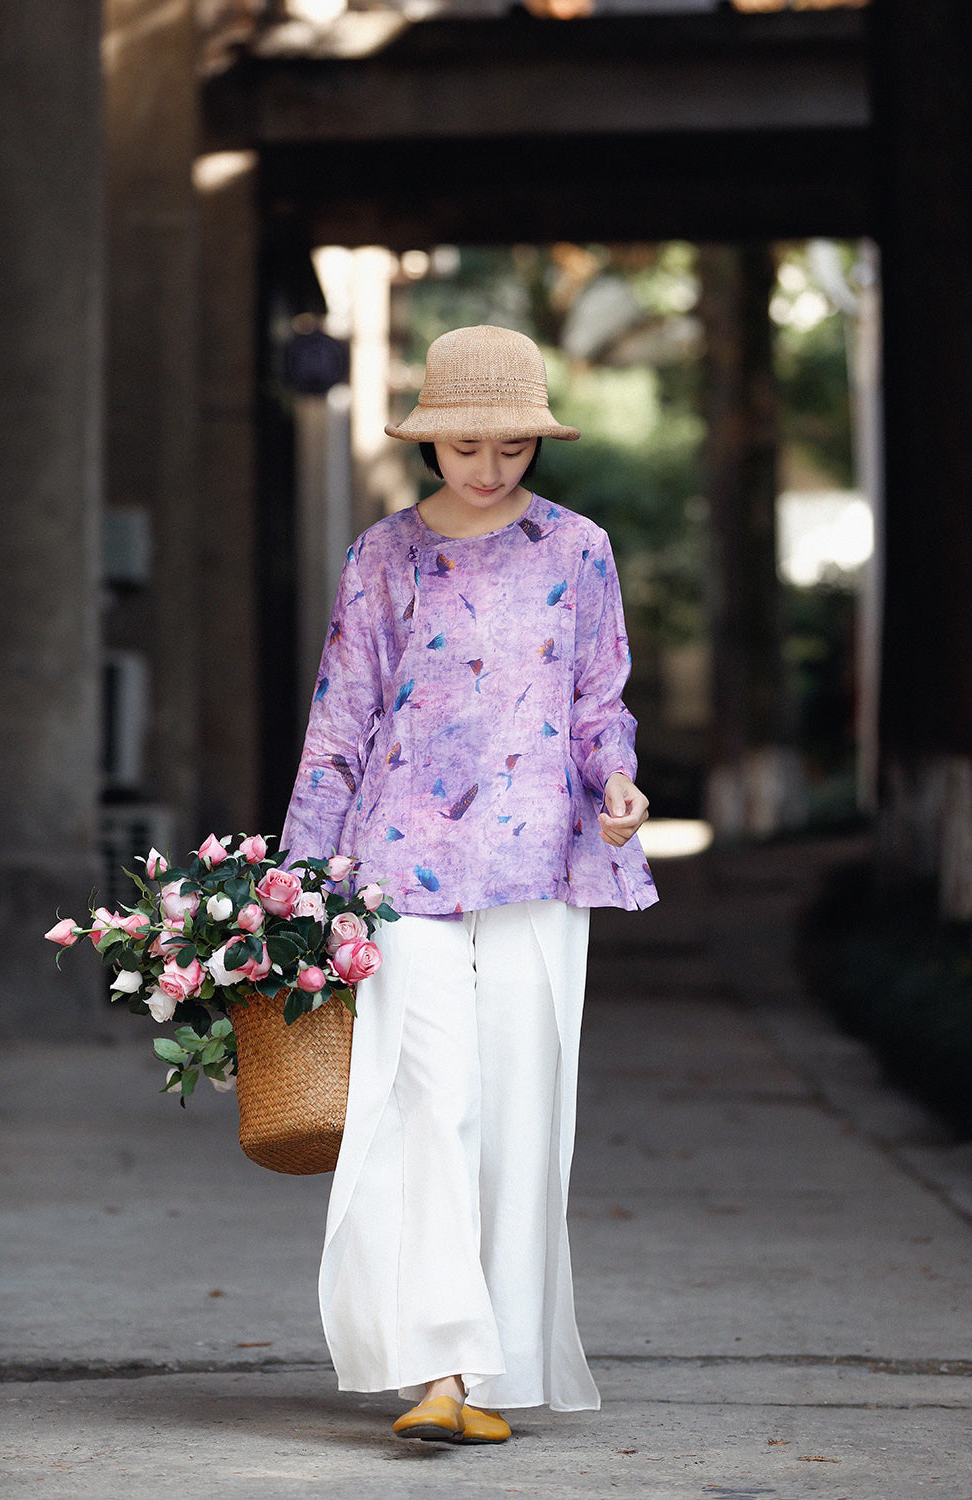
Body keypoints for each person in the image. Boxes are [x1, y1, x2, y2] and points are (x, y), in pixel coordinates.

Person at [281, 323, 658, 1446]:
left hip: (540, 856)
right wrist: (295, 888)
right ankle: (440, 1369)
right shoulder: (382, 555)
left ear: (537, 441)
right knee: (428, 1105)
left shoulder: (578, 549)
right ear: (429, 441)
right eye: (465, 447)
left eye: (511, 447)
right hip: (397, 864)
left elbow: (599, 700)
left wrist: (619, 780)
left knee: (521, 1112)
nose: (489, 468)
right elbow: (340, 723)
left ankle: (493, 1370)